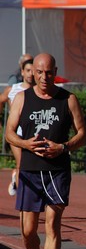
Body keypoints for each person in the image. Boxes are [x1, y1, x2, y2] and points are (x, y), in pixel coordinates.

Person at [5, 53, 86, 249]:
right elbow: (9, 133)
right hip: (30, 169)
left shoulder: (67, 99)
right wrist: (26, 144)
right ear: (32, 73)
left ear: (55, 72)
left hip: (57, 171)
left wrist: (63, 147)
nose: (43, 77)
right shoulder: (22, 98)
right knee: (28, 232)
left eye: (48, 72)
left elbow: (83, 133)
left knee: (52, 224)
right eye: (39, 72)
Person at [0, 58, 35, 196]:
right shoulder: (13, 89)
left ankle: (16, 177)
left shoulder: (40, 91)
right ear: (22, 72)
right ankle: (24, 200)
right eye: (28, 71)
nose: (30, 74)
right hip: (16, 133)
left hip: (33, 133)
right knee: (23, 163)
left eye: (33, 71)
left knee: (31, 165)